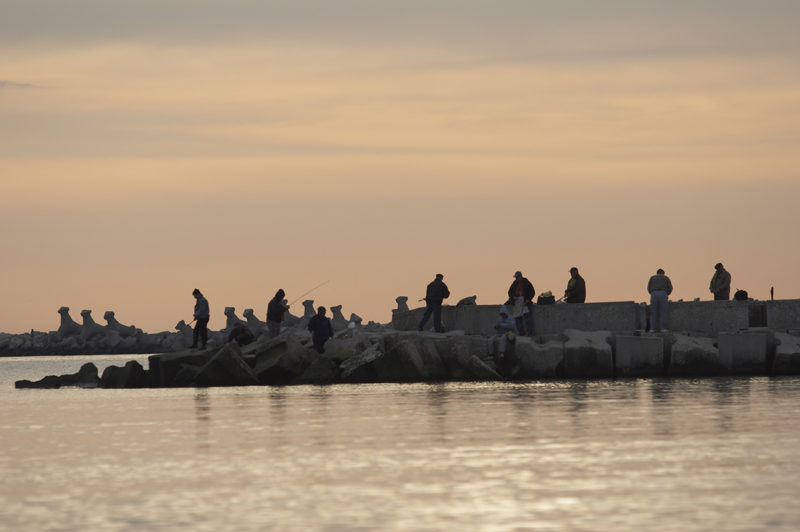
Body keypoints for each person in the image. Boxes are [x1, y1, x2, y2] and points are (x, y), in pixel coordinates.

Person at [507, 271, 535, 336]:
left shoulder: (526, 282)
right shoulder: (514, 284)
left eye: (517, 277)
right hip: (517, 302)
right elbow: (510, 292)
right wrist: (513, 296)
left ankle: (529, 332)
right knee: (518, 318)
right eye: (516, 277)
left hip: (525, 302)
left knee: (527, 318)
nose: (516, 278)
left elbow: (532, 292)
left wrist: (528, 299)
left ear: (520, 276)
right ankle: (521, 332)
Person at [647, 268, 673, 333]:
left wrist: (652, 292)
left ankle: (652, 329)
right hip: (663, 293)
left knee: (653, 311)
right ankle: (663, 328)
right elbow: (670, 288)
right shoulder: (666, 278)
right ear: (663, 273)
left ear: (657, 273)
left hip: (654, 293)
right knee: (663, 311)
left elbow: (648, 288)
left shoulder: (652, 277)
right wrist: (666, 293)